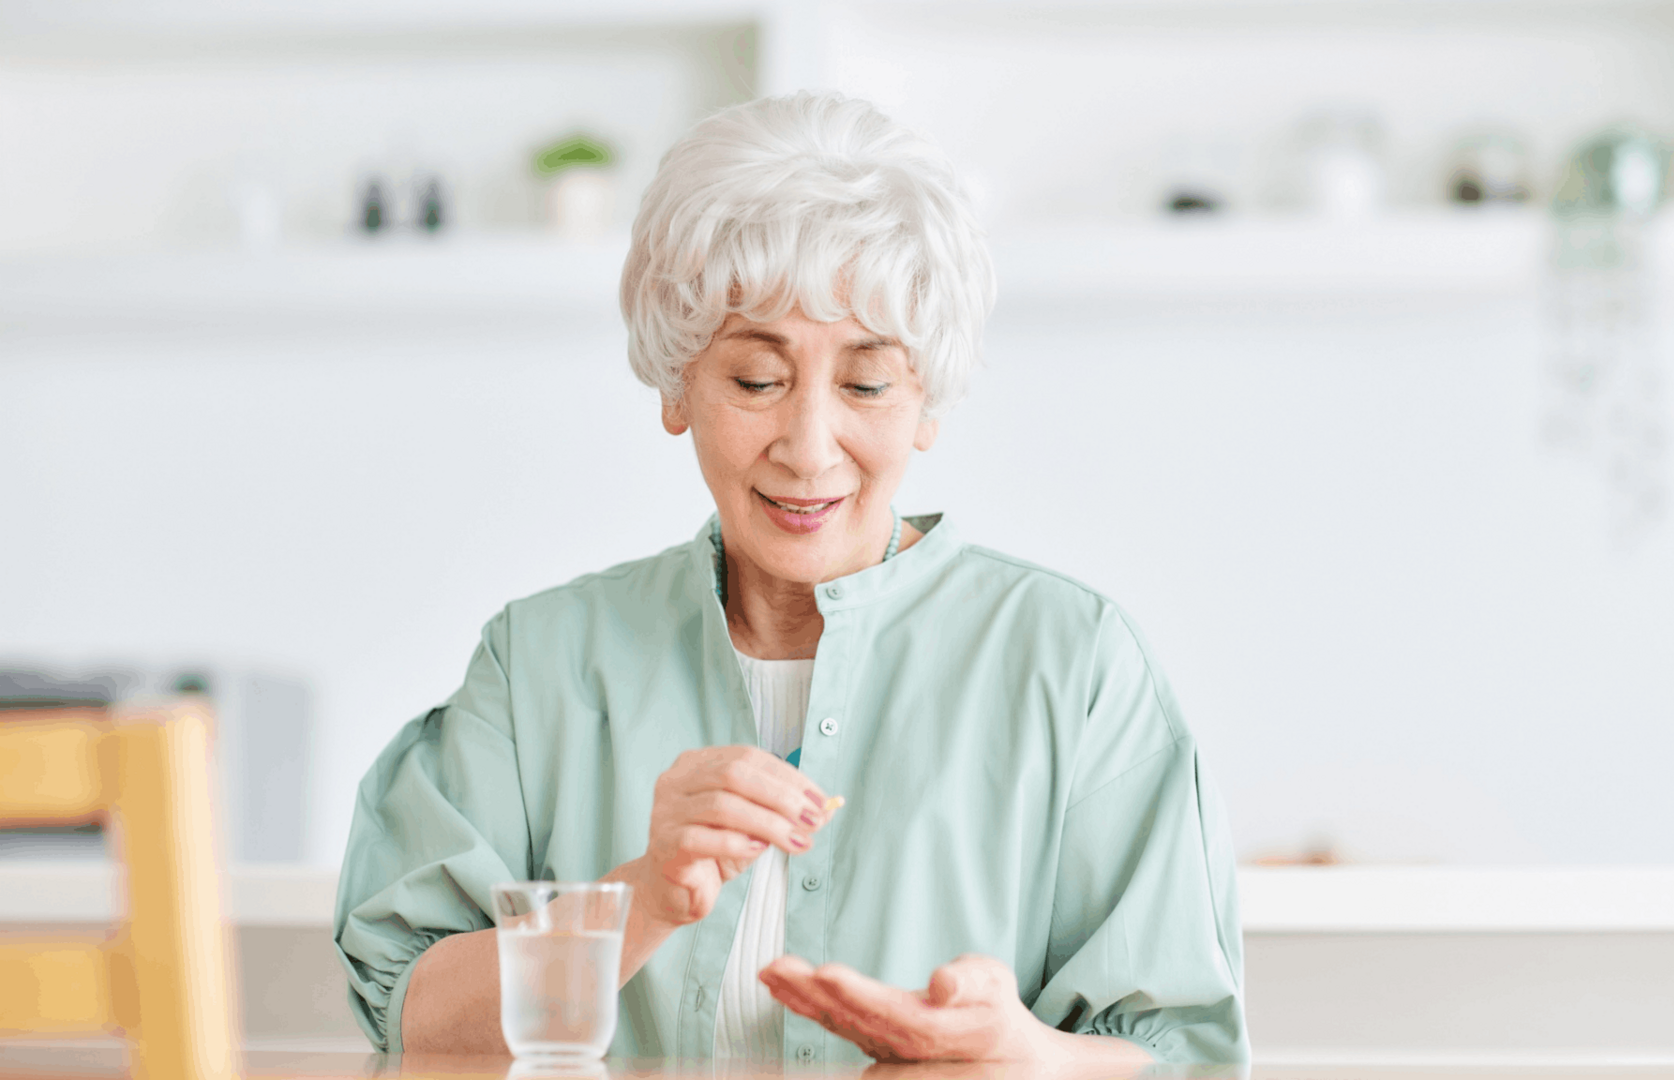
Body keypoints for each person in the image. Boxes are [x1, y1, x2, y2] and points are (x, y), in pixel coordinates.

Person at [333, 91, 1247, 1066]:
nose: (810, 451)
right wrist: (641, 901)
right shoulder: (542, 663)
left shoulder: (1073, 663)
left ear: (927, 399)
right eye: (758, 380)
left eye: (865, 383)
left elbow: (1182, 1053)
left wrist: (1023, 1056)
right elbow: (413, 1018)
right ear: (678, 383)